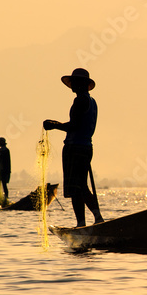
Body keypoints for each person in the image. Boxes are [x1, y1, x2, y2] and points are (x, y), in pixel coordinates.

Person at [44, 68, 104, 226]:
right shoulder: (91, 101)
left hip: (75, 147)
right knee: (80, 187)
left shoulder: (81, 101)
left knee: (77, 188)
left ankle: (88, 222)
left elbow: (74, 126)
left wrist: (54, 125)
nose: (73, 85)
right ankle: (91, 220)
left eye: (76, 82)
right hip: (85, 147)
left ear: (82, 84)